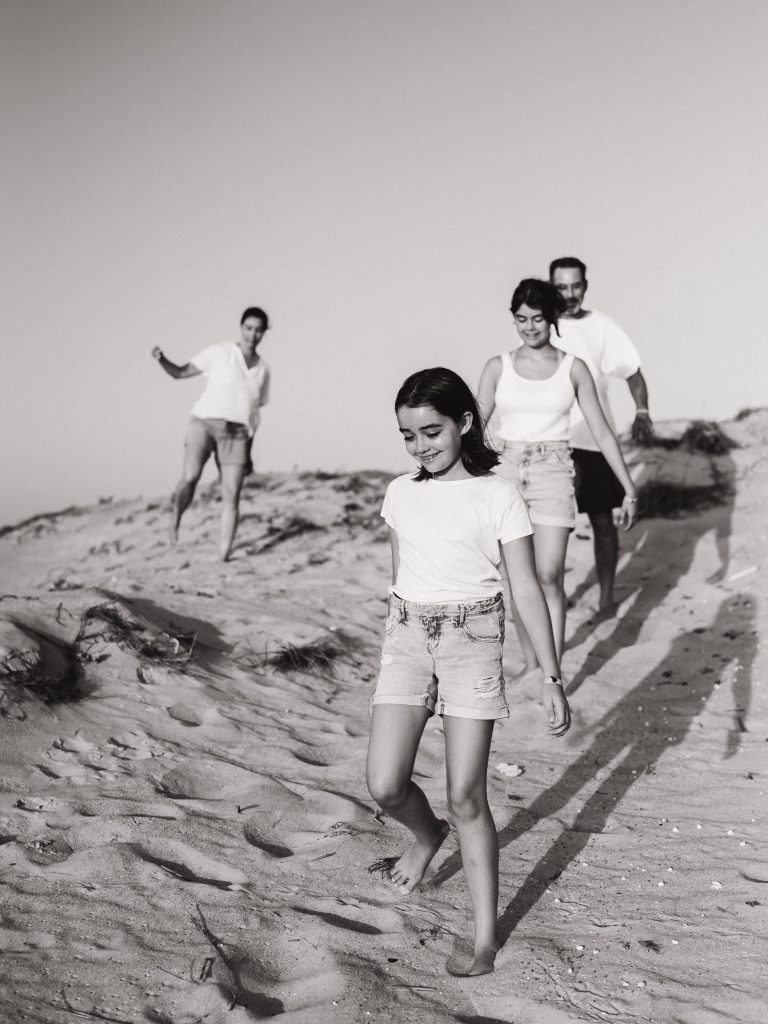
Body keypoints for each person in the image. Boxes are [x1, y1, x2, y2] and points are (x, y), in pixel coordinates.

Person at [366, 367, 570, 978]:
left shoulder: (498, 493)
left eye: (431, 432)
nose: (420, 446)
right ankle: (426, 836)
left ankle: (484, 938)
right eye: (408, 436)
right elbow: (399, 576)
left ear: (463, 422)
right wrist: (403, 644)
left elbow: (526, 588)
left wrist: (551, 676)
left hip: (473, 639)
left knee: (465, 796)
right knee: (385, 784)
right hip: (407, 637)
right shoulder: (400, 493)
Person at [477, 280, 637, 674]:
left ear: (551, 318)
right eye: (521, 319)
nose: (529, 327)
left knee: (548, 575)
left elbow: (602, 432)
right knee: (516, 579)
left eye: (537, 318)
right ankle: (532, 667)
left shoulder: (573, 368)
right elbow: (473, 428)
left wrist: (629, 487)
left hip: (554, 471)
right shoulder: (497, 367)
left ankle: (552, 673)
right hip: (506, 471)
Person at [550, 256, 653, 619]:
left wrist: (642, 410)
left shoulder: (602, 326)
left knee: (603, 523)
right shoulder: (540, 325)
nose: (569, 294)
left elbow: (633, 372)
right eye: (561, 287)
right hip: (554, 439)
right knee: (554, 526)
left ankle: (607, 600)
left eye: (576, 286)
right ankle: (556, 595)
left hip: (595, 440)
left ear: (585, 286)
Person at [151, 307, 270, 561]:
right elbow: (180, 372)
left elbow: (254, 414)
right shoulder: (220, 352)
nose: (253, 334)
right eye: (249, 328)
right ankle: (175, 516)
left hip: (237, 434)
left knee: (232, 494)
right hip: (204, 423)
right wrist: (162, 359)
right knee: (190, 477)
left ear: (264, 333)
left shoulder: (263, 369)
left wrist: (249, 452)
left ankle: (223, 557)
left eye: (259, 330)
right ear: (241, 328)